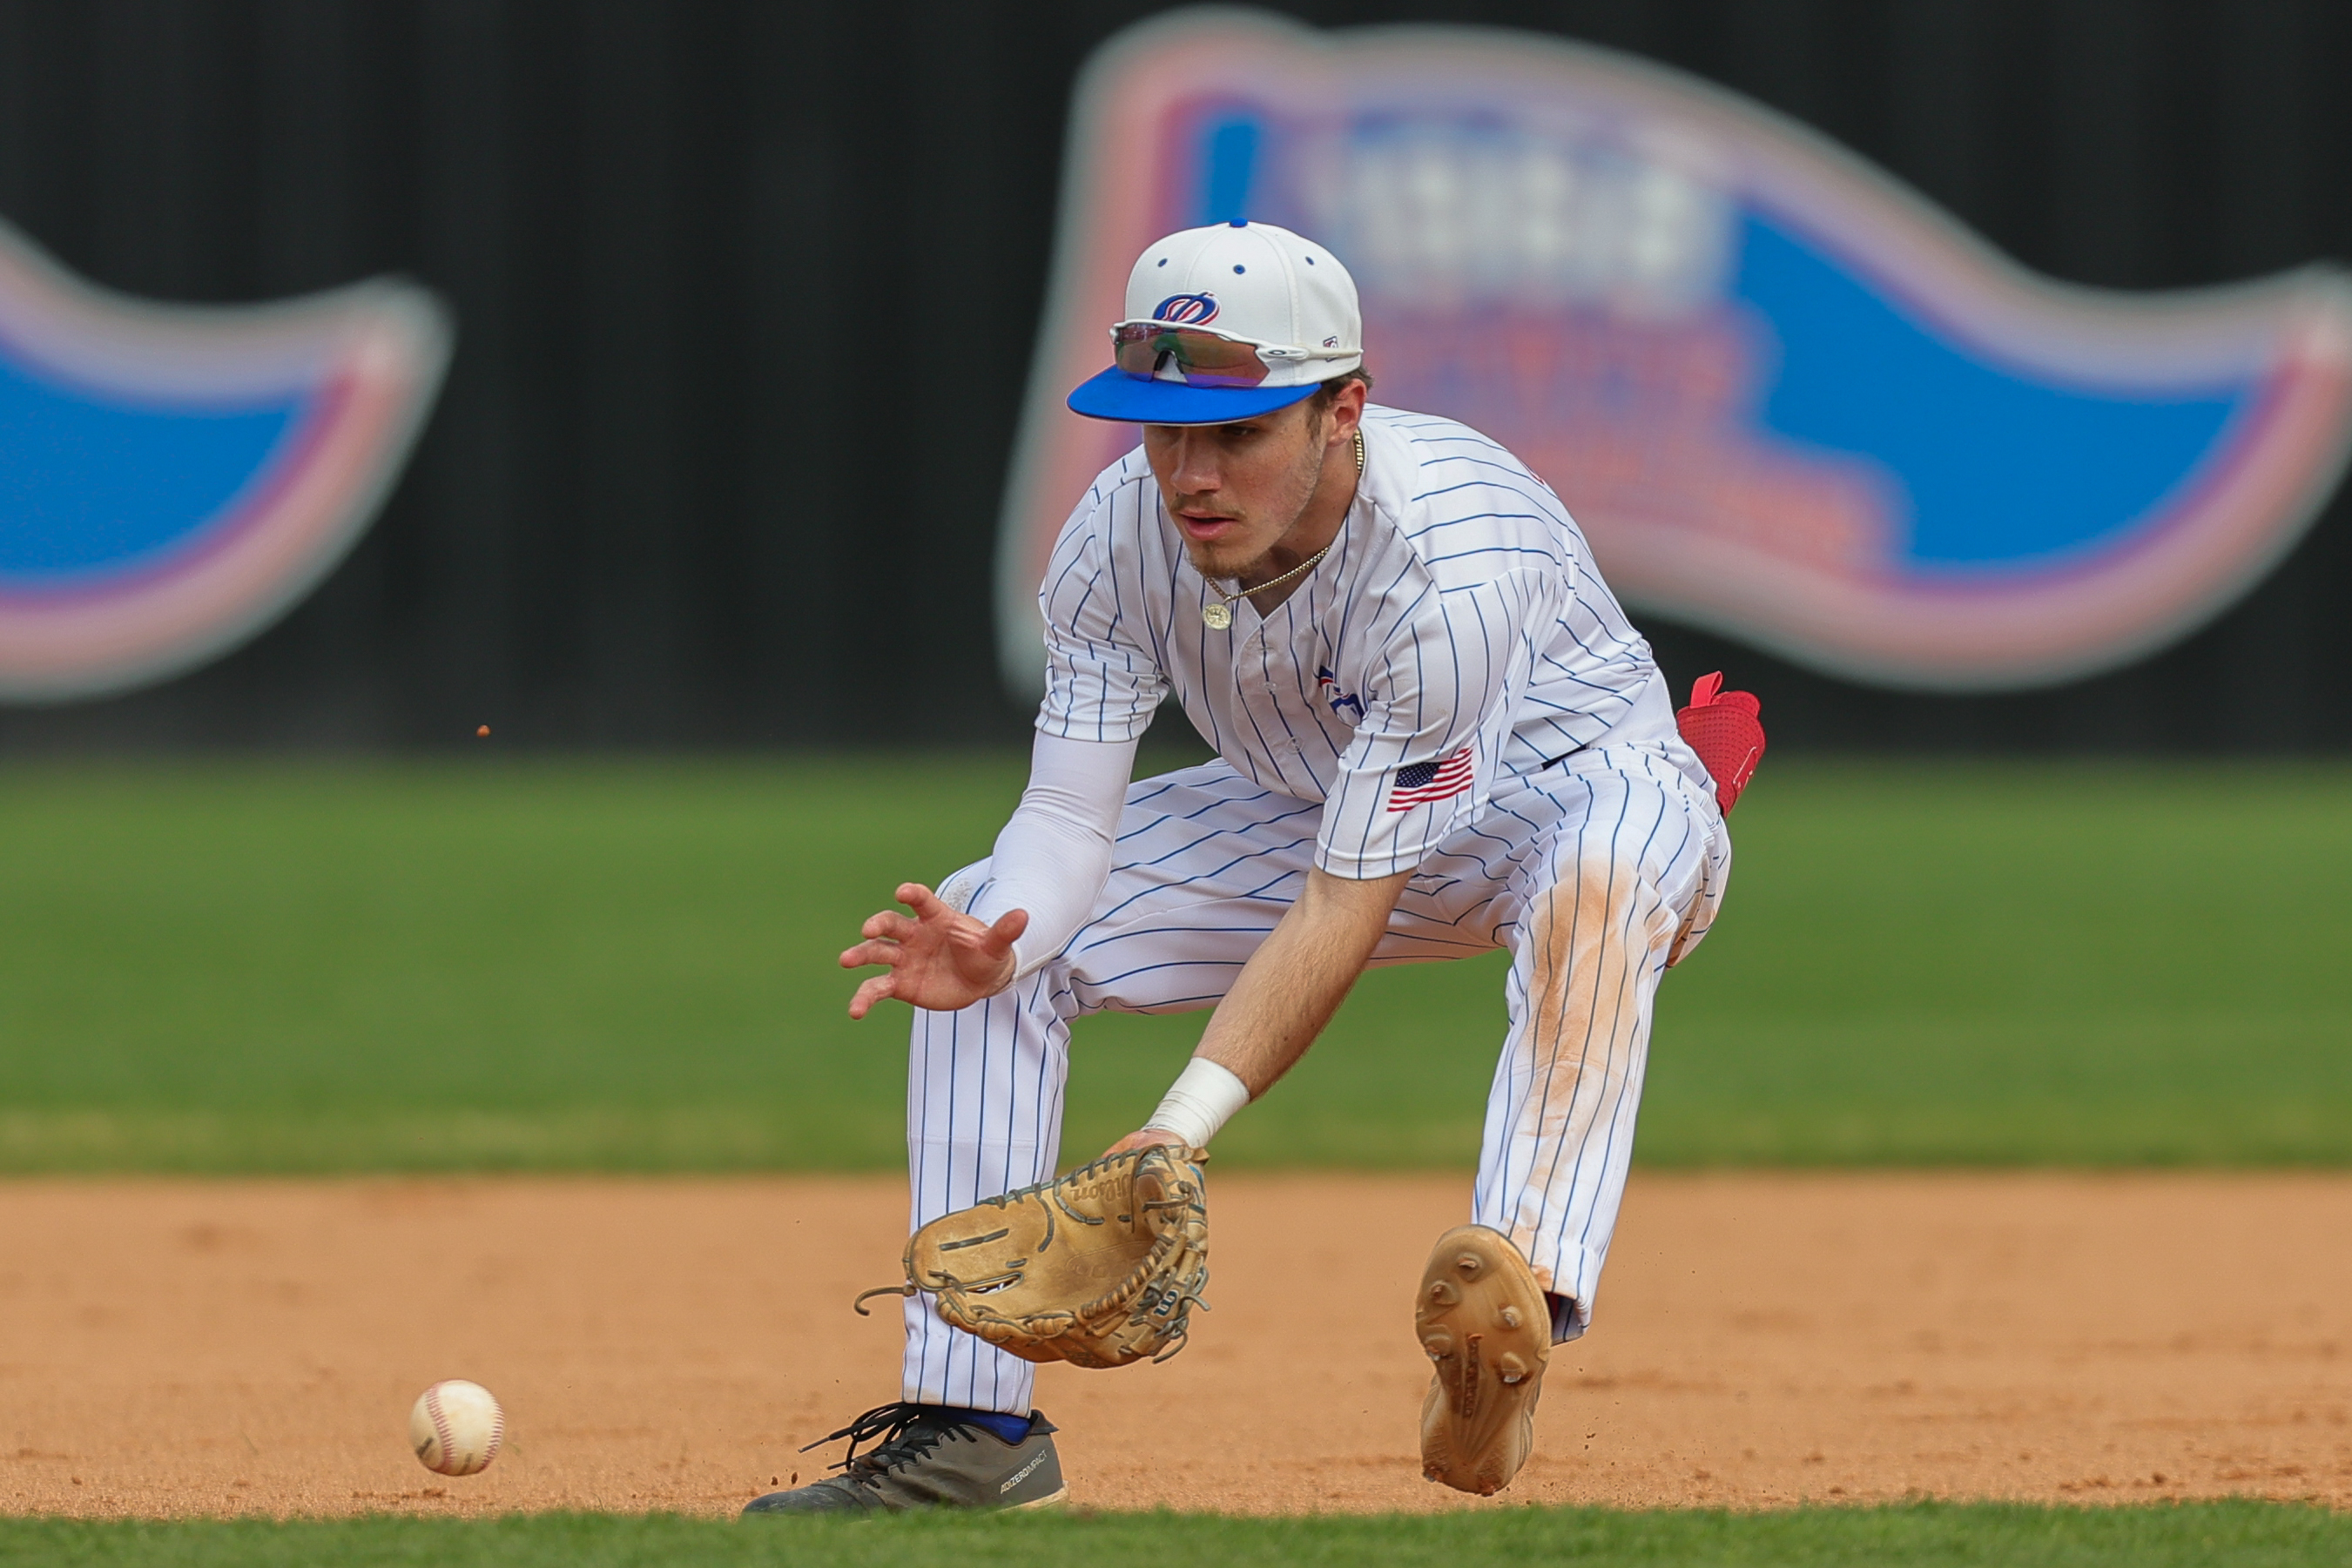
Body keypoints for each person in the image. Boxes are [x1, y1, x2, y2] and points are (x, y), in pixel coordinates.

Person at [744, 219, 1731, 1515]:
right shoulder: (1116, 533)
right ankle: (971, 1426)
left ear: (1341, 411)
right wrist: (1011, 937)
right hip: (1313, 803)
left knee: (1596, 885)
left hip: (1582, 787)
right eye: (1164, 430)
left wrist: (1175, 1133)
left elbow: (1344, 902)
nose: (1190, 473)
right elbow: (1067, 817)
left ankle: (1515, 1301)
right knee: (988, 910)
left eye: (1238, 431)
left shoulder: (1446, 566)